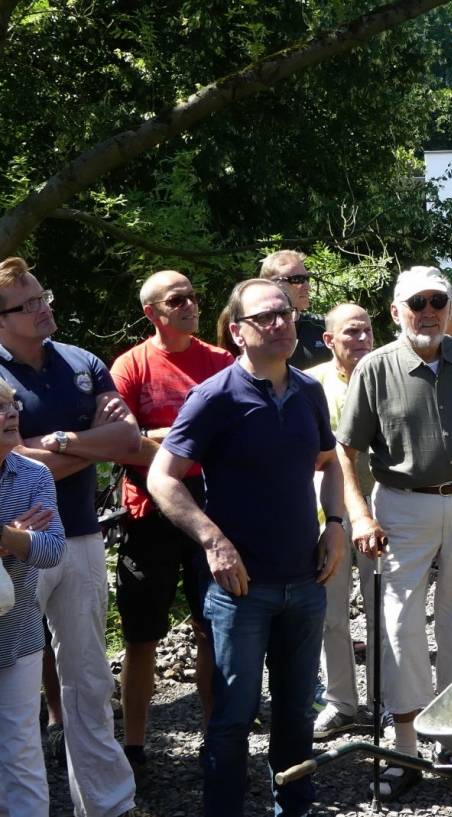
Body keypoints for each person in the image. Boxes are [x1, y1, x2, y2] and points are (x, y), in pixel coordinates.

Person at [147, 278, 347, 816]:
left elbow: (328, 466)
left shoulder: (308, 391)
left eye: (285, 313)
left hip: (305, 581)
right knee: (233, 717)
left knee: (297, 712)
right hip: (241, 589)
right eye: (266, 317)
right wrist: (214, 540)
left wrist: (335, 522)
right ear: (238, 332)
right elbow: (162, 479)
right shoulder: (213, 397)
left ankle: (295, 808)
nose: (281, 323)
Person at [335, 266, 452, 793]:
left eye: (439, 300)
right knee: (398, 625)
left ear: (451, 308)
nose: (429, 311)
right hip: (402, 508)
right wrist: (360, 516)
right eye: (418, 303)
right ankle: (406, 749)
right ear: (397, 312)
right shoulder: (374, 366)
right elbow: (345, 452)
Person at [0, 256, 140, 817]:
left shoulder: (82, 362)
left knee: (90, 680)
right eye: (28, 304)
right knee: (18, 692)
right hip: (14, 558)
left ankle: (108, 806)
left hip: (80, 538)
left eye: (43, 296)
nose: (43, 309)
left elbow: (128, 441)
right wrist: (86, 439)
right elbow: (14, 459)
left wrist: (53, 442)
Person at [109, 270, 233, 779]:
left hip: (212, 506)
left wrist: (157, 438)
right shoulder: (131, 365)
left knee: (214, 628)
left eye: (193, 295)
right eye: (175, 299)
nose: (189, 304)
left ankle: (215, 739)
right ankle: (134, 747)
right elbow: (119, 440)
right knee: (141, 637)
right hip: (148, 511)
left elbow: (234, 432)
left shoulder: (221, 362)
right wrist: (181, 441)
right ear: (152, 312)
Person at [304, 304, 382, 740]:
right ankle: (341, 703)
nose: (362, 339)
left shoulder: (387, 376)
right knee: (330, 615)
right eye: (351, 332)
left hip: (380, 514)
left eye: (367, 330)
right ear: (329, 340)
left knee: (383, 611)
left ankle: (386, 701)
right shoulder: (310, 384)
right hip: (327, 516)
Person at [0, 379, 65, 817]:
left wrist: (8, 539)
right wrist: (14, 535)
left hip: (18, 639)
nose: (10, 415)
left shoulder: (34, 474)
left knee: (21, 754)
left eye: (10, 405)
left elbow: (51, 548)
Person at [261, 249, 331, 369]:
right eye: (297, 279)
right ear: (271, 284)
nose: (308, 287)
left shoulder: (323, 327)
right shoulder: (255, 330)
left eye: (306, 279)